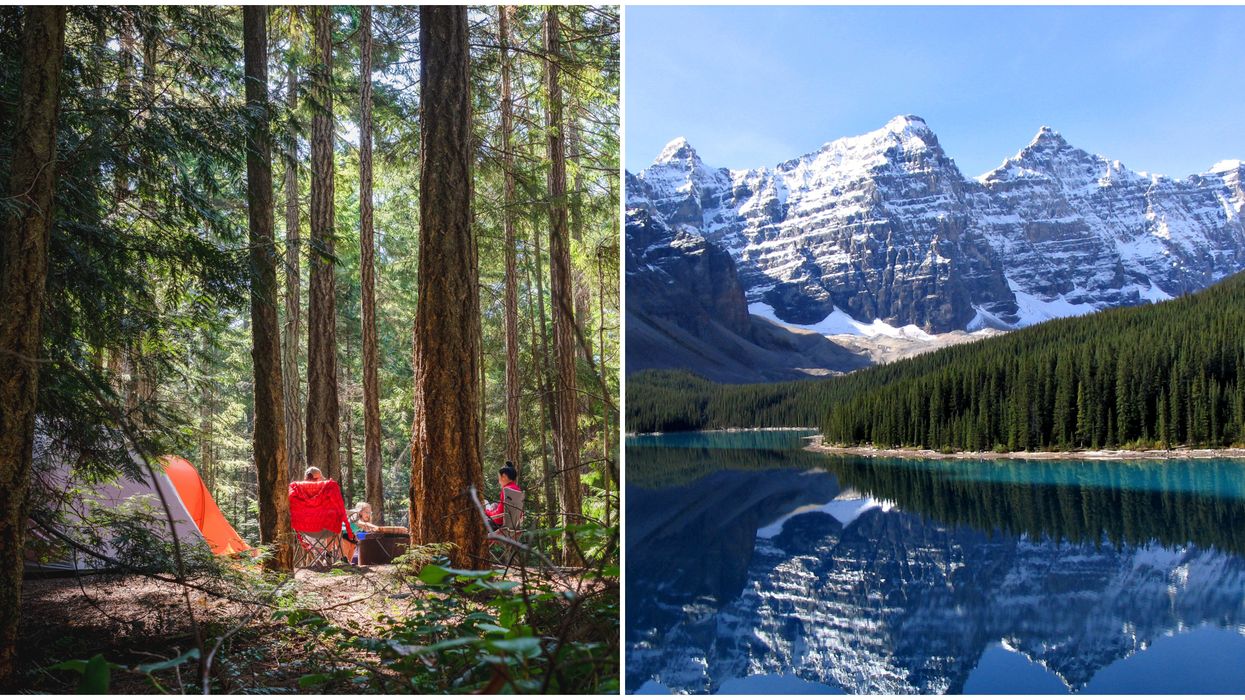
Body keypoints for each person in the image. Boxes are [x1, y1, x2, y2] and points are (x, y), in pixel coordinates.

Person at [485, 462, 521, 530]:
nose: (499, 481)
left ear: (504, 476)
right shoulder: (517, 489)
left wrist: (487, 511)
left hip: (500, 525)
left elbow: (499, 519)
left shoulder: (506, 490)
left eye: (499, 478)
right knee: (494, 505)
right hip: (514, 524)